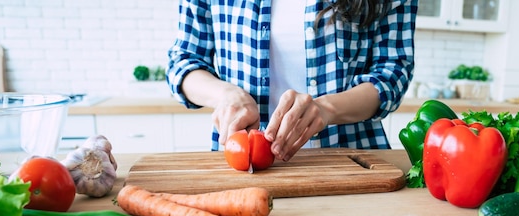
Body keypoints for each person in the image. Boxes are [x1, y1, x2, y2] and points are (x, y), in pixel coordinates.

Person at [166, 0, 417, 162]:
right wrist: (226, 95)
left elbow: (393, 72)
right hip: (242, 160)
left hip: (352, 159)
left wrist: (326, 109)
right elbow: (183, 61)